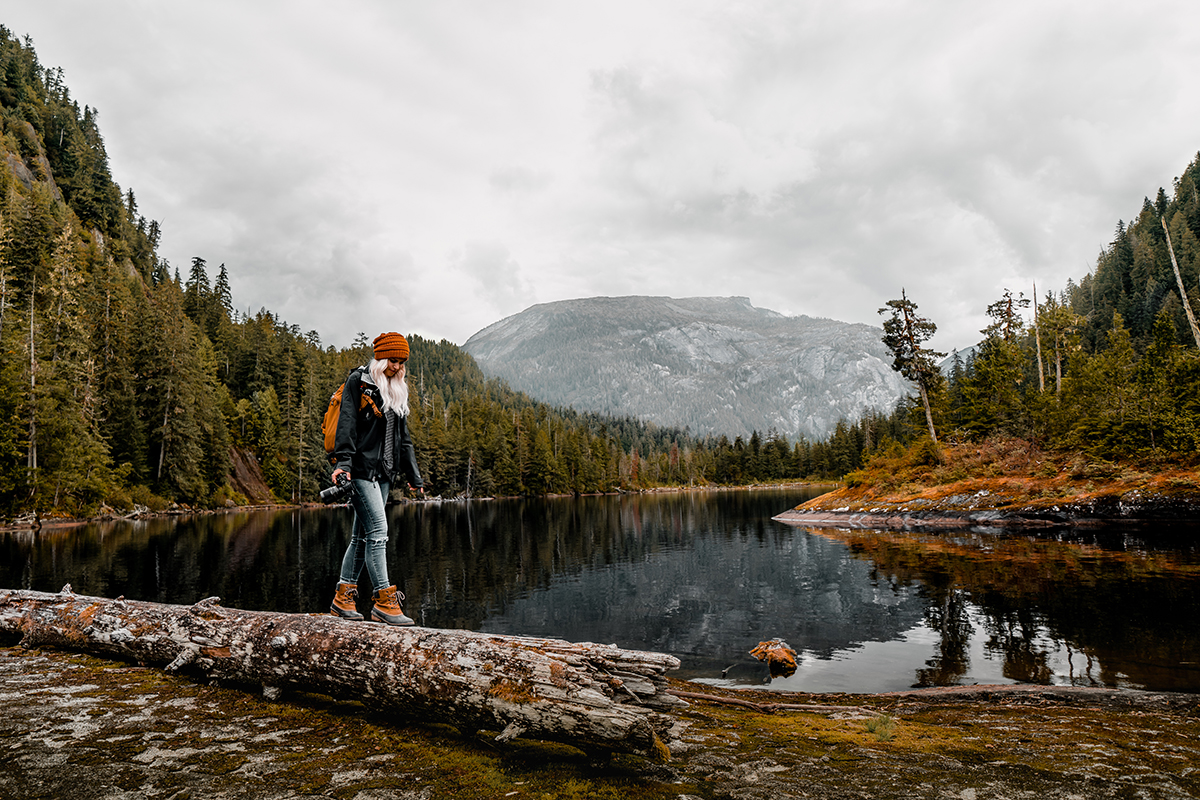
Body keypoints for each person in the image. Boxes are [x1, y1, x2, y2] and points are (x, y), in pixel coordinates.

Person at [328, 331, 424, 625]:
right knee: (379, 533)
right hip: (359, 471)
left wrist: (414, 476)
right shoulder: (358, 381)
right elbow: (346, 422)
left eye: (401, 362)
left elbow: (403, 439)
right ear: (381, 359)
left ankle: (343, 598)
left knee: (361, 536)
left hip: (383, 474)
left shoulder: (397, 390)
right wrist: (343, 463)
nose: (397, 367)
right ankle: (384, 600)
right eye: (393, 361)